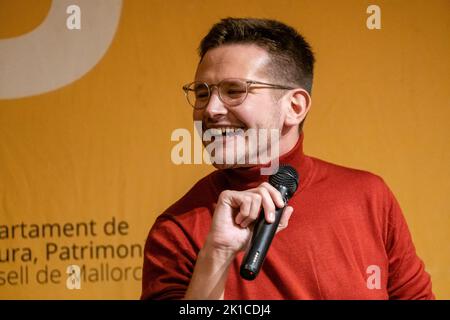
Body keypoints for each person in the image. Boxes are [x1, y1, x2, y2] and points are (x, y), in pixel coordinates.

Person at [141, 18, 434, 300]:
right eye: (202, 93)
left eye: (234, 91)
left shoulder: (368, 196)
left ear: (294, 106)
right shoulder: (177, 228)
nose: (210, 110)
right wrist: (217, 253)